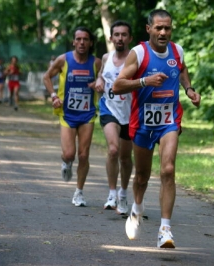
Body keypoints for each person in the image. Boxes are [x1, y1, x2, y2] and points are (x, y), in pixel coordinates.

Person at [113, 9, 201, 248]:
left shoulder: (177, 51)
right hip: (142, 123)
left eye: (168, 28)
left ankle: (165, 229)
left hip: (169, 120)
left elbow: (181, 70)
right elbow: (118, 85)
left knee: (168, 170)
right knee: (142, 176)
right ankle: (137, 209)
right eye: (159, 28)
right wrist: (144, 81)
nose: (163, 32)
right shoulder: (138, 53)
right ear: (148, 29)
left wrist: (189, 90)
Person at [43, 26, 102, 207]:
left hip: (87, 114)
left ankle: (79, 192)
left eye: (85, 39)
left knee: (84, 155)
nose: (82, 42)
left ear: (90, 42)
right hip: (67, 113)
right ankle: (66, 162)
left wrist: (99, 84)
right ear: (73, 42)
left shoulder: (97, 62)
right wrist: (54, 96)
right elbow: (47, 77)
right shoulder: (63, 60)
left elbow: (104, 81)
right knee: (70, 153)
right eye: (78, 39)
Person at [94, 21, 133, 215]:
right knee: (113, 150)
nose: (120, 38)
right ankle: (111, 194)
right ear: (111, 38)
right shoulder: (106, 57)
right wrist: (100, 79)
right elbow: (101, 74)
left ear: (129, 38)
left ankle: (123, 194)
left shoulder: (136, 59)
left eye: (124, 35)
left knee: (125, 158)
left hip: (130, 113)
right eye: (116, 34)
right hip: (109, 108)